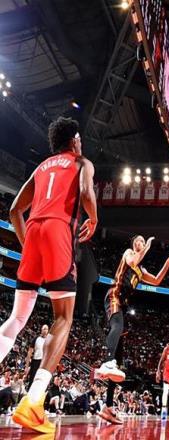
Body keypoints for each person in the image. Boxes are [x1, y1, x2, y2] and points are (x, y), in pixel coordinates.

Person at [0, 116, 98, 434]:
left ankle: (32, 401)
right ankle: (33, 402)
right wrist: (94, 218)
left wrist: (29, 246)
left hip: (34, 232)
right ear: (75, 140)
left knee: (17, 319)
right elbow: (86, 192)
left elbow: (15, 209)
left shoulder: (42, 167)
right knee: (63, 317)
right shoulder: (81, 162)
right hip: (57, 231)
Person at [95, 236, 169, 424]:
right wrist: (147, 246)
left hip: (123, 305)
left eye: (143, 241)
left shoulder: (141, 270)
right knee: (117, 326)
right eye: (140, 241)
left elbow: (156, 281)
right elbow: (133, 261)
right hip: (114, 295)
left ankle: (108, 407)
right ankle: (106, 361)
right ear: (135, 244)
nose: (142, 243)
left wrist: (167, 263)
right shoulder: (129, 254)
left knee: (119, 360)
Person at [25, 324, 49, 390]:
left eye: (46, 329)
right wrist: (27, 366)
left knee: (40, 381)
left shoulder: (48, 340)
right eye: (44, 329)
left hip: (44, 363)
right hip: (35, 361)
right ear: (41, 330)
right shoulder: (36, 338)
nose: (45, 330)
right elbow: (29, 352)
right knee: (32, 380)